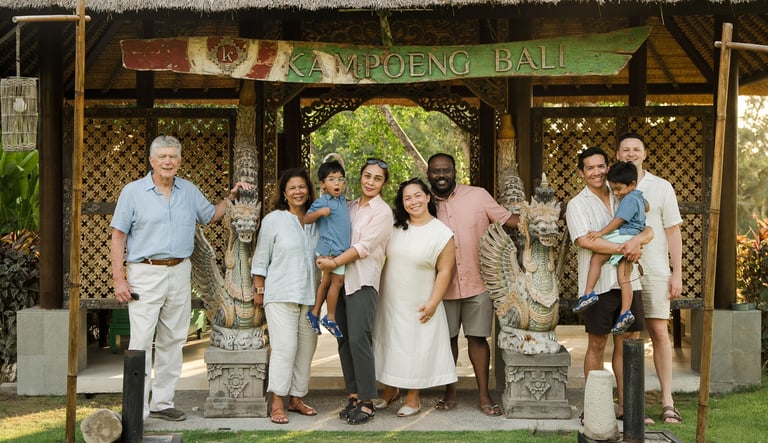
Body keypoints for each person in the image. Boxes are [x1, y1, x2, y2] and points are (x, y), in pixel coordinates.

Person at [110, 135, 250, 421]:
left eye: (173, 156)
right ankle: (137, 407)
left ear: (180, 161)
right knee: (140, 340)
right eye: (162, 156)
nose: (168, 161)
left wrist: (231, 198)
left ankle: (162, 403)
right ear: (151, 161)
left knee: (173, 340)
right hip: (145, 272)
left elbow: (210, 216)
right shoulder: (133, 192)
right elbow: (118, 235)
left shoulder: (188, 190)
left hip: (179, 270)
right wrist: (118, 278)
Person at [565, 146, 653, 422]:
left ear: (608, 166)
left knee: (629, 343)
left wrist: (637, 241)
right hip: (599, 285)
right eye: (590, 168)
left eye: (600, 166)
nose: (597, 172)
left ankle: (629, 408)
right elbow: (585, 241)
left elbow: (648, 229)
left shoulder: (624, 192)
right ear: (581, 173)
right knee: (597, 344)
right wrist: (627, 247)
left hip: (628, 282)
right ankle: (595, 408)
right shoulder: (577, 204)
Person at [426, 153, 519, 417]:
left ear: (455, 171)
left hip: (478, 283)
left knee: (477, 338)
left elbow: (506, 219)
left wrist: (535, 222)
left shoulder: (478, 195)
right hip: (441, 287)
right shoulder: (425, 202)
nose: (441, 175)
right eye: (435, 171)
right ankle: (450, 392)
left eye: (446, 170)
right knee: (448, 340)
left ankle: (483, 395)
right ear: (428, 174)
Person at [316, 158, 393, 425]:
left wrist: (334, 262)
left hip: (362, 283)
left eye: (377, 178)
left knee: (360, 339)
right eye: (367, 176)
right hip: (339, 283)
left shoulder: (382, 212)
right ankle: (353, 396)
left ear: (383, 183)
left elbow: (363, 247)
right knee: (343, 339)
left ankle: (368, 401)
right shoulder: (346, 207)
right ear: (359, 177)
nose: (370, 182)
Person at [373, 178, 457, 417]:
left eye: (417, 195)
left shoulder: (442, 233)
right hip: (391, 299)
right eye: (407, 198)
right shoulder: (395, 227)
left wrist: (433, 302)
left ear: (428, 197)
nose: (413, 201)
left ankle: (413, 397)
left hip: (421, 300)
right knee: (391, 344)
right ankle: (390, 391)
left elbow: (445, 271)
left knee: (416, 347)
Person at [617, 132, 684, 425]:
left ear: (645, 154)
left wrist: (677, 271)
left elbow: (672, 230)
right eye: (625, 150)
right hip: (624, 271)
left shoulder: (661, 187)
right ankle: (631, 402)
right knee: (628, 336)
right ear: (618, 155)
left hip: (655, 269)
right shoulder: (613, 185)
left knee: (658, 332)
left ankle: (668, 401)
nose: (630, 153)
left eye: (636, 149)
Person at [251, 168, 320, 425]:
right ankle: (278, 401)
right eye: (292, 188)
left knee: (306, 349)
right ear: (284, 193)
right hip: (280, 295)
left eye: (302, 187)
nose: (298, 191)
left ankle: (296, 398)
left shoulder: (317, 220)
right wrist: (259, 289)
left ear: (309, 190)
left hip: (310, 297)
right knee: (285, 349)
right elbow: (261, 258)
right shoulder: (274, 220)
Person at [574, 161, 649, 335]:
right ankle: (625, 312)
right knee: (625, 276)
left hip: (625, 233)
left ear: (631, 185)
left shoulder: (628, 198)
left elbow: (618, 220)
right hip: (633, 236)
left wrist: (601, 233)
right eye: (613, 189)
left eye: (618, 189)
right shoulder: (637, 195)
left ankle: (588, 293)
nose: (615, 193)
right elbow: (647, 206)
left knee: (597, 258)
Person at [304, 160, 351, 338]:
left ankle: (314, 312)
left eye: (340, 179)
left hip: (337, 250)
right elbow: (306, 219)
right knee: (337, 282)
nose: (337, 183)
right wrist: (319, 213)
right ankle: (330, 317)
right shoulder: (323, 202)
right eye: (332, 179)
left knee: (326, 282)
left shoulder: (343, 202)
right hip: (330, 250)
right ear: (322, 184)